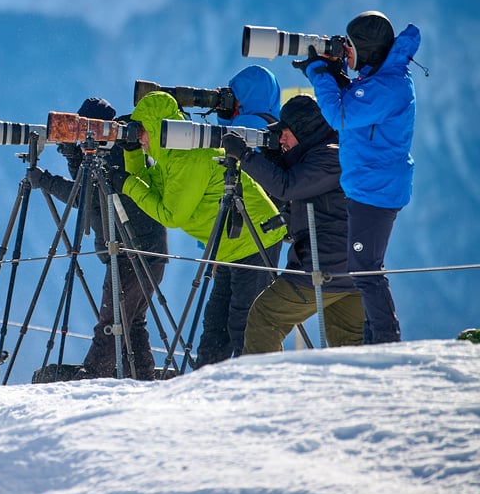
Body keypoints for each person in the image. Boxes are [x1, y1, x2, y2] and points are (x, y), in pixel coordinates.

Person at [113, 91, 286, 367]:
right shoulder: (172, 157)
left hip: (255, 239)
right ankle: (209, 383)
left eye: (141, 132)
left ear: (156, 128)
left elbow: (170, 215)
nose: (140, 138)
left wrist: (127, 185)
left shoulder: (189, 158)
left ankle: (256, 386)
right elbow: (153, 186)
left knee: (245, 320)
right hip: (231, 244)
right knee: (216, 322)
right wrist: (131, 153)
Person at [27, 97, 168, 380]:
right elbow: (91, 193)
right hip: (146, 250)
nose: (79, 137)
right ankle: (142, 377)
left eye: (82, 130)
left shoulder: (114, 157)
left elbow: (85, 196)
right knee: (132, 323)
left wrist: (44, 180)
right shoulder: (122, 149)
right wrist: (75, 157)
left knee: (111, 321)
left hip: (131, 251)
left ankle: (90, 379)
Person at [300, 10, 419, 344]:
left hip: (374, 190)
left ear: (366, 48)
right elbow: (356, 104)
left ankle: (384, 341)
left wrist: (320, 74)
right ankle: (374, 341)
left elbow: (341, 114)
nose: (346, 51)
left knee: (366, 270)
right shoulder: (382, 78)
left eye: (350, 46)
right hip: (370, 186)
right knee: (363, 267)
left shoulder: (388, 85)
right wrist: (338, 77)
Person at [220, 94, 364, 353]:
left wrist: (245, 155)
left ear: (304, 130)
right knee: (350, 347)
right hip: (348, 268)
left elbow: (287, 186)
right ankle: (361, 392)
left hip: (326, 266)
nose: (281, 139)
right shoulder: (329, 153)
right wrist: (275, 159)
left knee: (264, 317)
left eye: (285, 133)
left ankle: (267, 389)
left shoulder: (330, 157)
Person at [192, 65, 282, 365]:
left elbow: (213, 191)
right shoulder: (278, 135)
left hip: (228, 240)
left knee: (217, 316)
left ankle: (207, 376)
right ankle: (251, 381)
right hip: (263, 239)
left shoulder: (228, 137)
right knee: (249, 316)